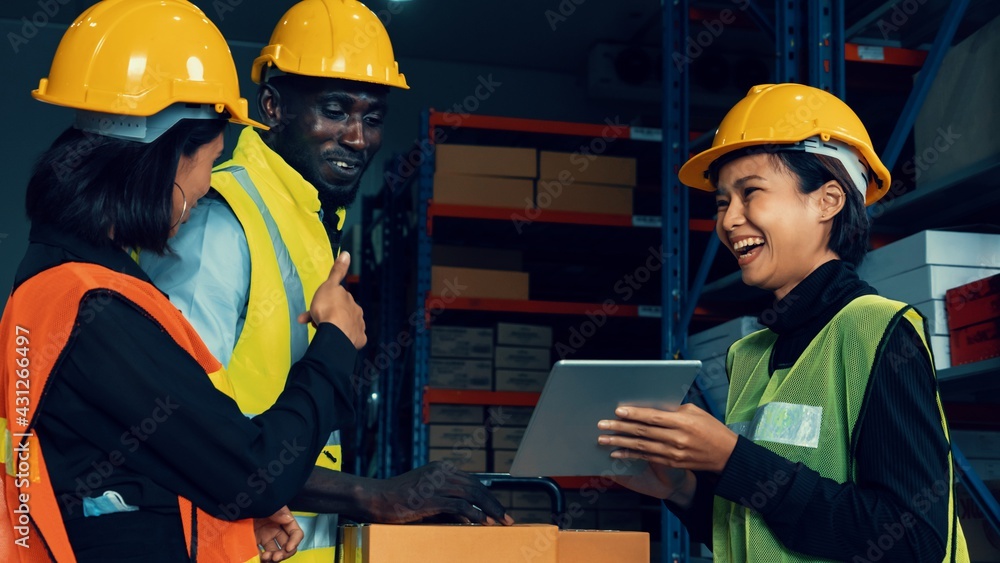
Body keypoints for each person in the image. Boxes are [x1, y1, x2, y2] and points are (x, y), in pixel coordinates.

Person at [140, 1, 511, 559]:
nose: (358, 137)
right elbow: (185, 438)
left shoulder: (310, 228)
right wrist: (374, 496)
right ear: (272, 106)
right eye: (335, 110)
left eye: (373, 117)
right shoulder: (221, 220)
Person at [0, 1, 367, 561]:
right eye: (208, 161)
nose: (203, 190)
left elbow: (127, 482)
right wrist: (336, 344)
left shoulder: (60, 280)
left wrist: (235, 527)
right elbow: (256, 472)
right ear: (167, 156)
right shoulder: (93, 307)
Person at [597, 83, 970, 562]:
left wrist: (734, 459)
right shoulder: (750, 354)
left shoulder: (878, 332)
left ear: (827, 201)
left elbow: (914, 540)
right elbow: (760, 535)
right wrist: (683, 489)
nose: (730, 220)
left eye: (750, 193)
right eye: (721, 202)